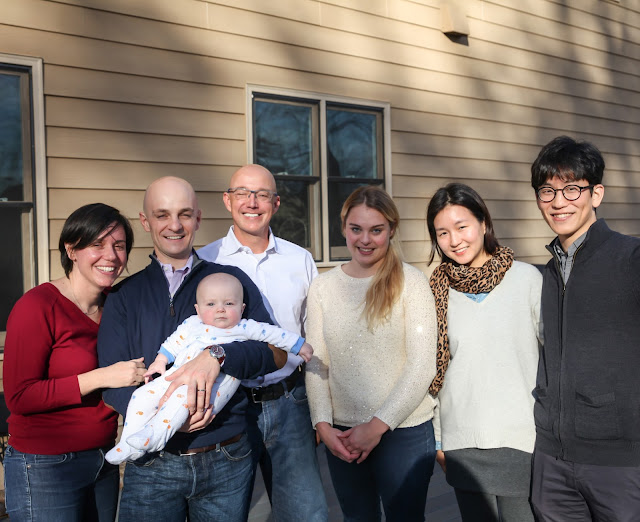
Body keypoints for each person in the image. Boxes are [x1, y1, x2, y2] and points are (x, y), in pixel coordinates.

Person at [97, 176, 281, 522]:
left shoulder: (229, 282)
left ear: (198, 218)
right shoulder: (124, 296)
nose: (175, 225)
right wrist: (167, 418)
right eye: (162, 215)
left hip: (225, 456)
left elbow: (274, 353)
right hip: (152, 464)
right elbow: (111, 383)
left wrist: (219, 356)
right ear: (145, 221)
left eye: (184, 214)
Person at [198, 164, 328, 521]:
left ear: (276, 203)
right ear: (227, 200)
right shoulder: (206, 261)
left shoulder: (299, 260)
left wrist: (321, 412)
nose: (252, 203)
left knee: (307, 514)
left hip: (290, 402)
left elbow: (316, 336)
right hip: (228, 404)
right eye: (242, 193)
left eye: (262, 195)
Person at [3, 203, 146, 522]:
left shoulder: (117, 307)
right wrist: (101, 377)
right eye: (97, 244)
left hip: (103, 459)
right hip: (46, 465)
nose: (111, 255)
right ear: (71, 250)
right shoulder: (38, 306)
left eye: (119, 245)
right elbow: (19, 396)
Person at [305, 185, 438, 522]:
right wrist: (322, 425)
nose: (365, 239)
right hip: (343, 434)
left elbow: (423, 365)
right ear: (343, 228)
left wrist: (376, 426)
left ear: (391, 230)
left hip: (403, 431)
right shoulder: (323, 287)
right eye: (356, 229)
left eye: (376, 230)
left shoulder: (412, 282)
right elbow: (317, 361)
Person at [529, 136, 640, 521]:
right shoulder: (544, 275)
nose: (558, 202)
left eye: (572, 188)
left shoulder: (630, 259)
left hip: (620, 463)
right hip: (552, 460)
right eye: (547, 191)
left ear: (596, 194)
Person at [107, 272, 312, 464]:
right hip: (177, 376)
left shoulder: (244, 327)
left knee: (182, 401)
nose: (220, 309)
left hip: (211, 387)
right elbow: (173, 342)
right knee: (141, 396)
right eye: (211, 304)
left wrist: (299, 345)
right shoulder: (192, 324)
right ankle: (128, 443)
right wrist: (160, 360)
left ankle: (154, 437)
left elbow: (274, 334)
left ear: (241, 308)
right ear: (198, 309)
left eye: (229, 303)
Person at [425, 183, 542, 521]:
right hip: (462, 443)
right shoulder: (435, 291)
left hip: (523, 441)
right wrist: (439, 441)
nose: (454, 240)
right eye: (443, 232)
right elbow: (434, 375)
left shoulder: (527, 280)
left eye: (462, 226)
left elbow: (555, 360)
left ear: (483, 223)